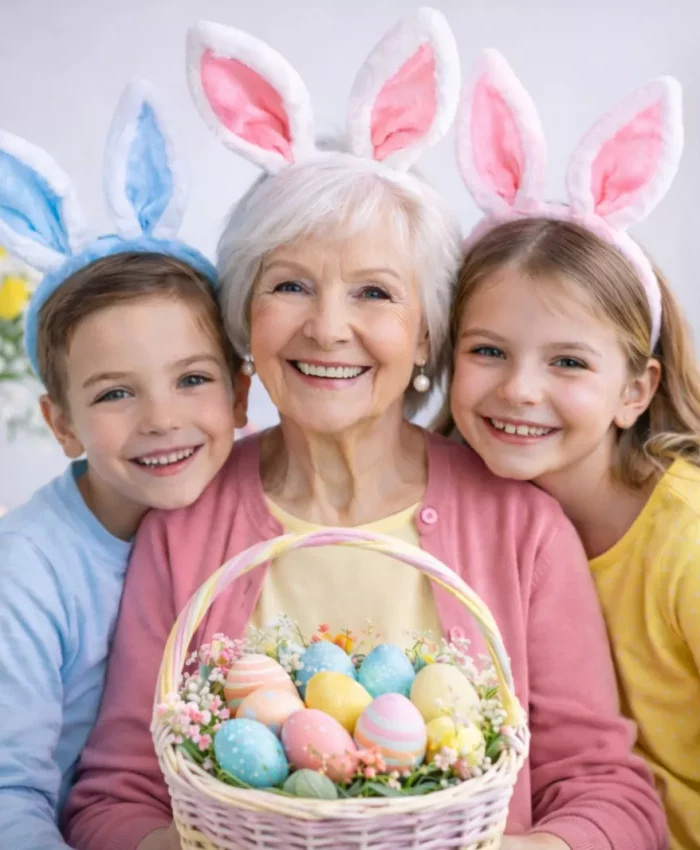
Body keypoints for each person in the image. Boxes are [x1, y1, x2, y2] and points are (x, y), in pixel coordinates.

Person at [63, 14, 666, 850]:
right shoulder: (185, 524)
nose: (327, 328)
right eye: (289, 286)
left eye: (375, 293)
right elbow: (112, 797)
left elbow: (612, 796)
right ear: (244, 320)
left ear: (425, 336)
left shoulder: (521, 528)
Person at [443, 49, 695, 848]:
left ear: (636, 390)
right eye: (488, 351)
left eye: (568, 363)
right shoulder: (460, 516)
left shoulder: (686, 547)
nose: (520, 389)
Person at [0, 82, 248, 850]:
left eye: (192, 379)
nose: (161, 419)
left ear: (242, 395)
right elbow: (8, 793)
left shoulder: (251, 511)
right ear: (62, 424)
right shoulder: (26, 572)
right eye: (115, 393)